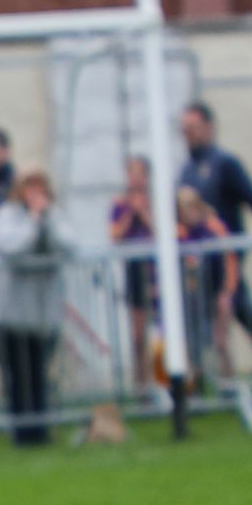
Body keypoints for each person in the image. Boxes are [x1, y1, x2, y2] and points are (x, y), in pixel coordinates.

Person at [178, 101, 252, 371]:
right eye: (184, 128)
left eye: (193, 127)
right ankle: (214, 379)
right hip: (196, 261)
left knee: (239, 309)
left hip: (226, 258)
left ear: (208, 127)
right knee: (208, 320)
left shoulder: (224, 164)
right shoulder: (186, 170)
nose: (188, 133)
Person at [0, 170, 77, 445]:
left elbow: (68, 245)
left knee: (39, 371)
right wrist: (33, 222)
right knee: (17, 373)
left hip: (43, 313)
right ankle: (22, 430)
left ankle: (41, 427)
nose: (35, 193)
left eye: (40, 186)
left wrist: (45, 220)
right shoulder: (6, 215)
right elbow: (10, 248)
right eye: (30, 186)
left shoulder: (56, 214)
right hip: (13, 313)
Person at [176, 186, 238, 384]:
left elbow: (229, 262)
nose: (189, 213)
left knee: (220, 341)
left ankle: (229, 383)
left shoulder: (213, 228)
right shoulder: (179, 233)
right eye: (184, 209)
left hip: (216, 292)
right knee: (192, 344)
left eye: (192, 207)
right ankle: (198, 385)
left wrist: (227, 292)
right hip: (192, 296)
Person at [109, 157, 156, 391]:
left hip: (156, 270)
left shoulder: (157, 200)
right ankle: (142, 386)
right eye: (131, 173)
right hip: (134, 271)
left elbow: (163, 232)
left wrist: (145, 212)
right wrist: (131, 213)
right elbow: (115, 236)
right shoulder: (120, 204)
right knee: (138, 335)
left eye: (139, 173)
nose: (135, 178)